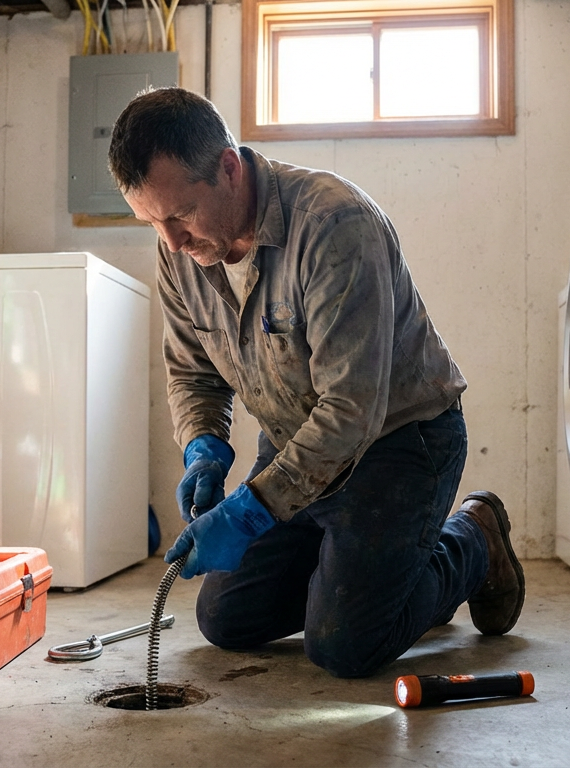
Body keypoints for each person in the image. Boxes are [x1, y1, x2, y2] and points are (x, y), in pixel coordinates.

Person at [108, 87, 525, 678]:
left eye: (178, 215)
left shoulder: (334, 224)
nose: (171, 241)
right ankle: (382, 582)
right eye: (151, 222)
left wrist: (253, 511)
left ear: (228, 167)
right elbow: (192, 371)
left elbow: (352, 409)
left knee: (345, 646)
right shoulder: (179, 250)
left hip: (399, 445)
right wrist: (202, 446)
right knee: (227, 621)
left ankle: (475, 541)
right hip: (296, 449)